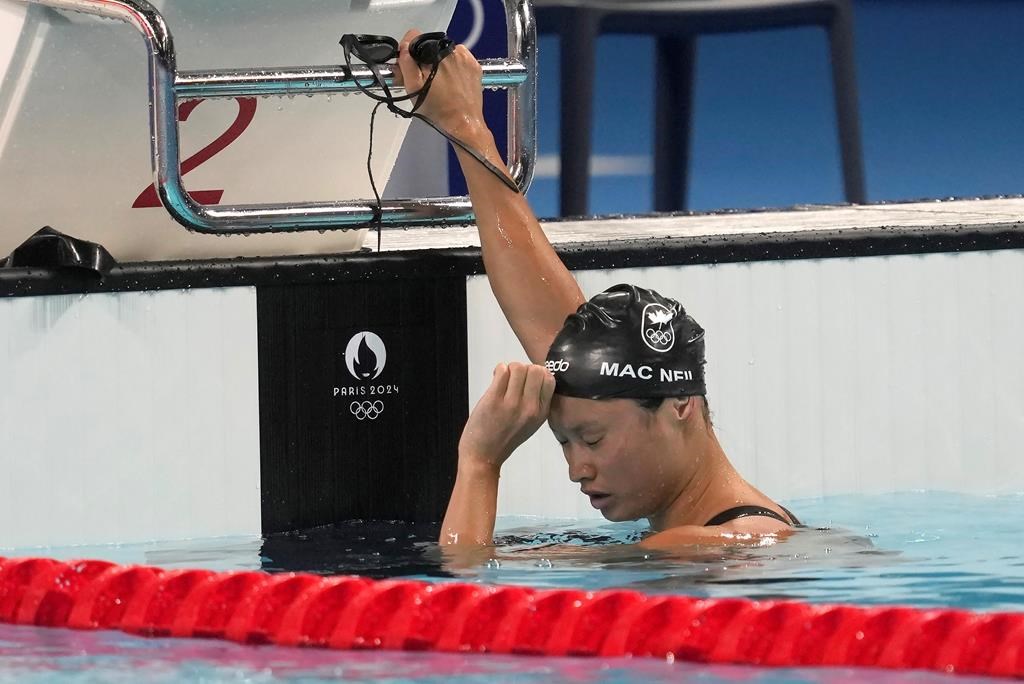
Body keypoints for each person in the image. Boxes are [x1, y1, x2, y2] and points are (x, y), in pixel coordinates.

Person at [391, 30, 797, 551]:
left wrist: (479, 463)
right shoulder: (694, 527)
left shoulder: (712, 549)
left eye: (593, 439)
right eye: (565, 442)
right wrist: (465, 124)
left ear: (679, 406)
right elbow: (545, 312)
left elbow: (464, 595)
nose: (576, 469)